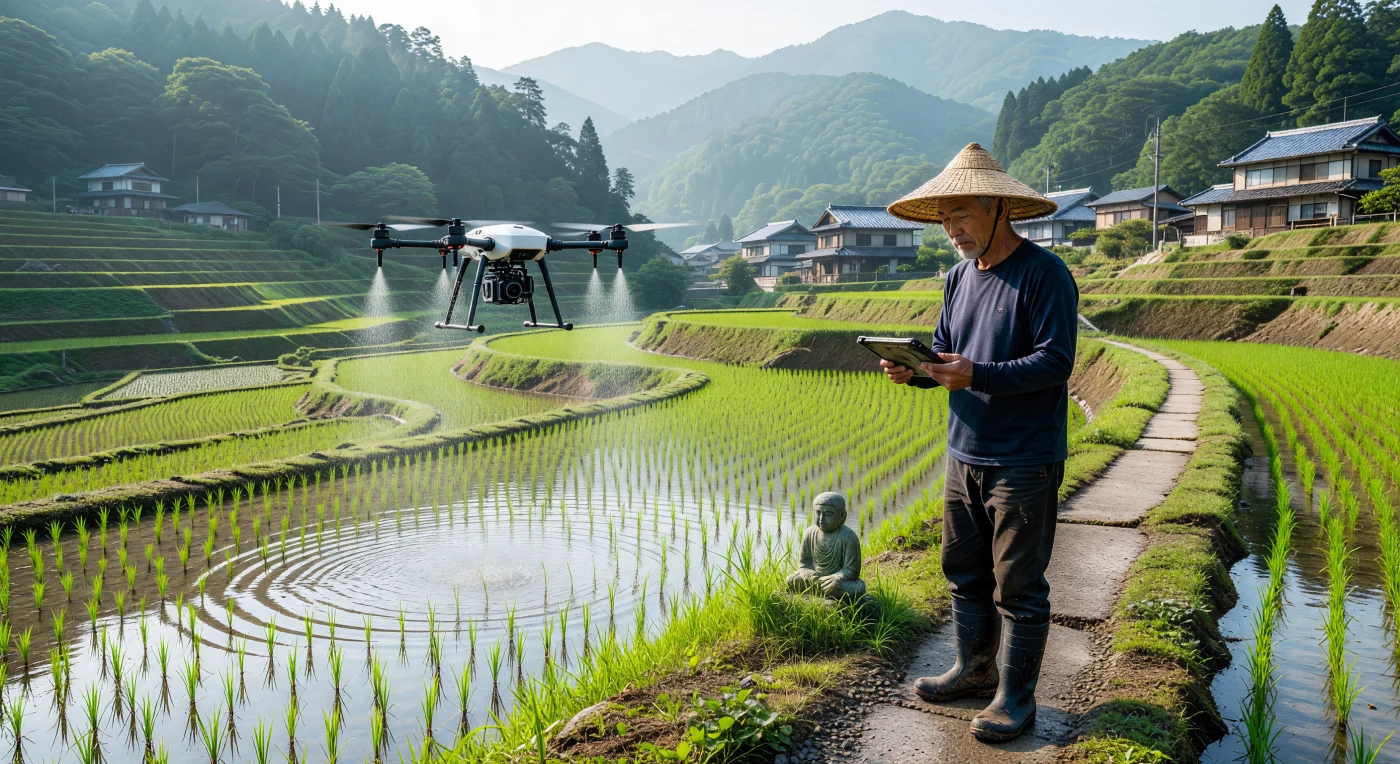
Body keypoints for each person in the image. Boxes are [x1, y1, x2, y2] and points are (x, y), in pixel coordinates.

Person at [880, 143, 1079, 743]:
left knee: (1019, 583)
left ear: (998, 207)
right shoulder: (958, 278)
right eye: (944, 218)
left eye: (961, 214)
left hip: (1024, 458)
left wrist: (978, 375)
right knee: (963, 571)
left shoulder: (1044, 275)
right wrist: (915, 370)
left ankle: (1016, 700)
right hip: (963, 451)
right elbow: (947, 355)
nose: (952, 229)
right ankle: (972, 668)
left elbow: (1056, 362)